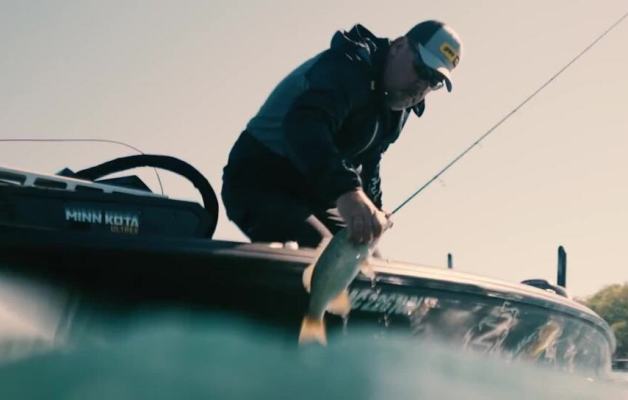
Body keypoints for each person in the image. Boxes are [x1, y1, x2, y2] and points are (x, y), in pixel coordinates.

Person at [222, 20, 462, 247]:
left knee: (364, 259)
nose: (422, 85)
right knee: (320, 251)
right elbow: (305, 127)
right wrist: (348, 191)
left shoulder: (398, 104)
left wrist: (374, 207)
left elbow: (371, 159)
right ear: (398, 46)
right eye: (421, 69)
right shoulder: (347, 67)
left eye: (434, 81)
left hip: (314, 196)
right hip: (258, 180)